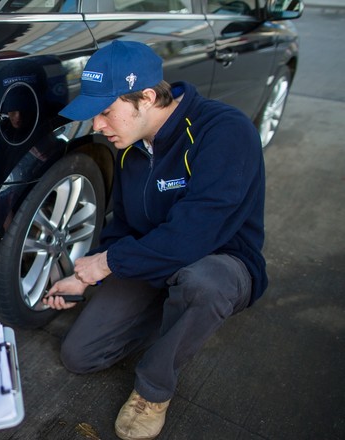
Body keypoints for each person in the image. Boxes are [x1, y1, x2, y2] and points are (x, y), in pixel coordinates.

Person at [43, 41, 266, 440]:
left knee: (203, 285)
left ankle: (154, 389)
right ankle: (176, 317)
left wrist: (107, 265)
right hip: (151, 260)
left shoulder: (225, 131)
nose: (98, 126)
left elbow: (194, 235)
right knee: (80, 355)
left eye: (106, 112)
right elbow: (123, 227)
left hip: (219, 260)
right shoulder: (130, 148)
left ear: (146, 98)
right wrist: (84, 275)